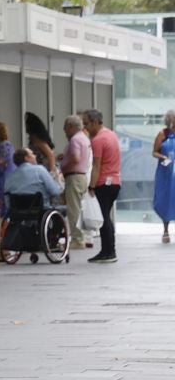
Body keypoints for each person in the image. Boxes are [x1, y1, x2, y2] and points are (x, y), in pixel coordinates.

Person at [87, 108, 122, 264]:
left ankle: (109, 251)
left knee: (103, 218)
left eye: (86, 123)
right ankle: (107, 250)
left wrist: (91, 185)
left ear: (95, 122)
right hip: (115, 181)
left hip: (104, 182)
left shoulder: (98, 140)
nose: (85, 127)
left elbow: (96, 165)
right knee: (105, 216)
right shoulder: (111, 135)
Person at [61, 115, 93, 249]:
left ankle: (77, 239)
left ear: (71, 127)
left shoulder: (74, 140)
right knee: (80, 208)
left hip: (74, 176)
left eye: (65, 128)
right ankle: (83, 236)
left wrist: (64, 167)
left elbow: (76, 158)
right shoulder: (84, 138)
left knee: (73, 209)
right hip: (83, 176)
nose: (64, 131)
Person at [154, 110, 175, 244]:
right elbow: (154, 152)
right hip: (165, 171)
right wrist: (163, 157)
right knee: (165, 198)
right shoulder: (162, 134)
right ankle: (165, 230)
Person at [24, 112, 57, 177]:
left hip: (44, 170)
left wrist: (51, 173)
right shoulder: (33, 139)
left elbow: (50, 155)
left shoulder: (38, 140)